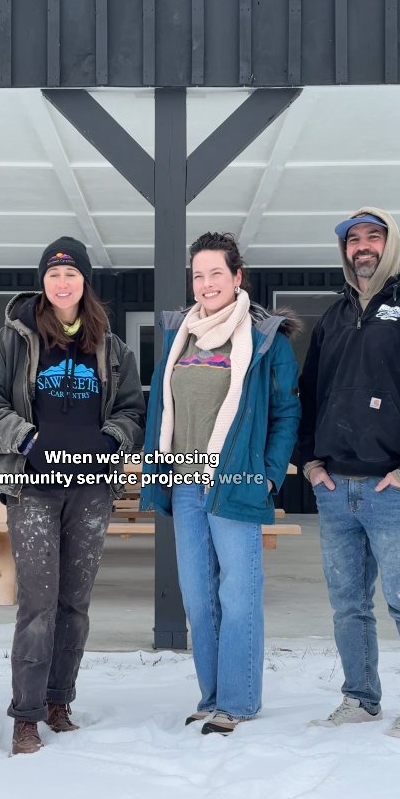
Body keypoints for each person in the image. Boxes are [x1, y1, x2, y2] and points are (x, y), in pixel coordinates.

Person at [0, 236, 145, 755]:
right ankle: (25, 715)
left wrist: (109, 439)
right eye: (53, 273)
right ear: (42, 281)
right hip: (33, 488)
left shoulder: (112, 347)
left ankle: (58, 701)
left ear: (84, 282)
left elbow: (133, 411)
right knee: (38, 603)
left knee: (75, 603)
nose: (62, 282)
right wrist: (26, 440)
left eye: (71, 274)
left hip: (90, 491)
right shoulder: (12, 340)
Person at [140, 232, 300, 735]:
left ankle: (238, 700)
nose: (207, 284)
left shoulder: (266, 337)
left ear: (237, 277)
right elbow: (160, 407)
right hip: (185, 482)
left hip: (237, 481)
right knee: (197, 594)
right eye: (198, 275)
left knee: (239, 594)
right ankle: (210, 695)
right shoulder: (179, 333)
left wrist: (269, 478)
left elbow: (286, 413)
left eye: (216, 273)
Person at [299, 207, 400, 738]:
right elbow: (309, 392)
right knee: (348, 608)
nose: (362, 247)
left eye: (373, 237)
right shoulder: (334, 316)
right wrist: (311, 462)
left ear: (391, 244)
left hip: (392, 489)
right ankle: (361, 698)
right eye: (353, 240)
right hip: (335, 488)